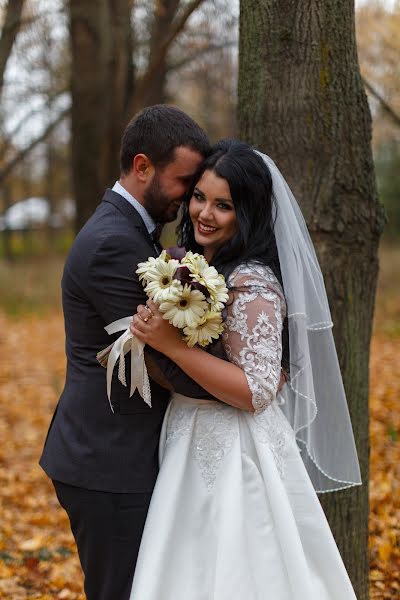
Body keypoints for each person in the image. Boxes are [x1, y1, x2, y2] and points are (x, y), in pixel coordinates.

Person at [128, 139, 362, 599]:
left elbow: (255, 390)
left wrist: (171, 346)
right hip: (189, 433)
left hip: (237, 451)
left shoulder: (251, 280)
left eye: (224, 205)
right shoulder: (193, 268)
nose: (205, 214)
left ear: (248, 213)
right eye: (199, 197)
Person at [39, 105, 218, 600]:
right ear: (143, 168)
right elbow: (159, 362)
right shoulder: (111, 244)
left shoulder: (128, 231)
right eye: (184, 182)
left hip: (119, 455)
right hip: (109, 463)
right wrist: (245, 384)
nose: (190, 200)